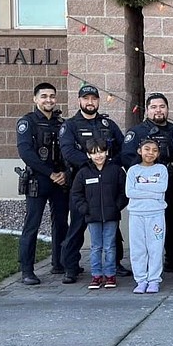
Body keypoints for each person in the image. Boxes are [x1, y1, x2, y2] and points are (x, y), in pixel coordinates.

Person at [59, 84, 128, 283]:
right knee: (78, 226)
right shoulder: (70, 125)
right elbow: (68, 152)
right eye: (86, 99)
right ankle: (70, 267)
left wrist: (110, 165)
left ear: (98, 101)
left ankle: (114, 264)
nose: (90, 102)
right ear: (79, 101)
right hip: (83, 183)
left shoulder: (108, 125)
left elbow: (123, 148)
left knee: (112, 227)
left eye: (94, 99)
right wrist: (92, 163)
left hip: (108, 183)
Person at [121, 93, 173, 272]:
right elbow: (127, 158)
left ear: (167, 109)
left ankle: (172, 260)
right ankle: (145, 266)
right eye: (154, 107)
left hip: (172, 187)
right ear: (147, 110)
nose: (158, 110)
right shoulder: (137, 132)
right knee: (146, 233)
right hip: (147, 192)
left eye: (162, 106)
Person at [16, 82, 69, 285]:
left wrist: (63, 173)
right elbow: (26, 153)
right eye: (44, 96)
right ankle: (27, 270)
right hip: (38, 180)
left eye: (52, 96)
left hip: (60, 180)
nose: (49, 100)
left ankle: (59, 263)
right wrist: (51, 173)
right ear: (35, 99)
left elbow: (66, 150)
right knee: (32, 225)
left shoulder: (60, 123)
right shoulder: (27, 122)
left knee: (61, 222)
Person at [69, 138, 128, 290]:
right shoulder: (83, 173)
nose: (98, 156)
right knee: (96, 246)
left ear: (107, 152)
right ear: (88, 155)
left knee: (109, 246)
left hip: (111, 216)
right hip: (92, 216)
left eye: (101, 152)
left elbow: (124, 192)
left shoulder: (116, 170)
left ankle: (110, 274)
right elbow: (76, 193)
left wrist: (117, 207)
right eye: (94, 153)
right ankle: (96, 275)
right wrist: (84, 209)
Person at [125, 138, 169, 294]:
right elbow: (130, 192)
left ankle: (154, 280)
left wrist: (141, 189)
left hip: (156, 214)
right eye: (147, 149)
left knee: (155, 248)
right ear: (140, 151)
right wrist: (152, 191)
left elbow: (162, 188)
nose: (150, 153)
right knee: (138, 249)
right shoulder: (133, 171)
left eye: (155, 150)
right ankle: (141, 280)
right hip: (137, 214)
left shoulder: (162, 169)